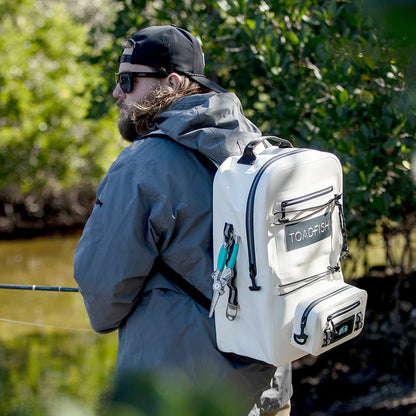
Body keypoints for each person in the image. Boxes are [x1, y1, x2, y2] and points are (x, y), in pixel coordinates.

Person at [73, 24, 292, 415]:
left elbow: (102, 295)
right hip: (268, 385)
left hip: (182, 395)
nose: (116, 92)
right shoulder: (252, 140)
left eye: (128, 80)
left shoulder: (140, 166)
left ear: (172, 82)